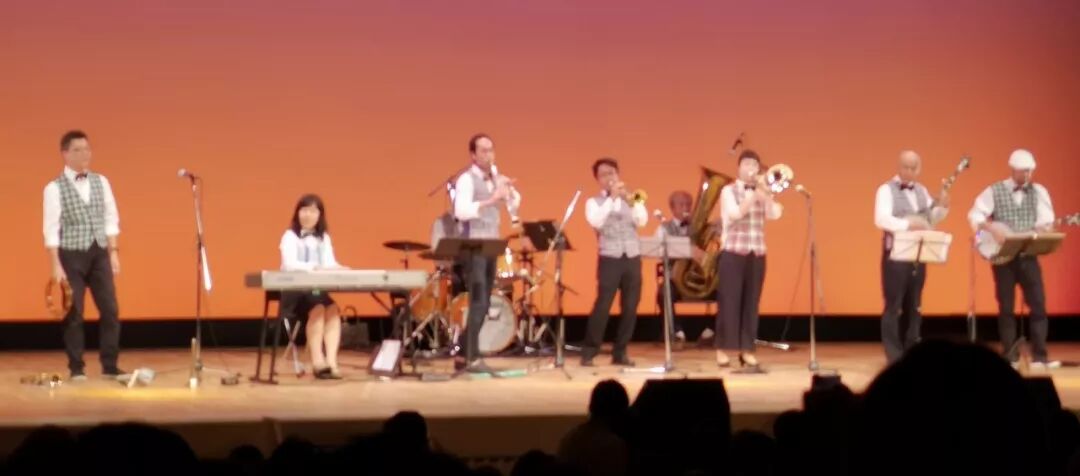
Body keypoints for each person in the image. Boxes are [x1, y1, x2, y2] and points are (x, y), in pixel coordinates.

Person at [43, 130, 125, 381]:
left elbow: (110, 217)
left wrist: (113, 252)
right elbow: (51, 228)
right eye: (77, 150)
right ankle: (76, 367)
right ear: (65, 153)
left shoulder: (102, 182)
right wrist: (55, 264)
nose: (84, 154)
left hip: (99, 252)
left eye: (87, 149)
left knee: (110, 309)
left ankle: (110, 366)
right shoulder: (54, 188)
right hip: (71, 254)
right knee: (74, 312)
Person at [968, 149, 1059, 368]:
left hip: (1028, 256)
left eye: (1030, 171)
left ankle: (1040, 357)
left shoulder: (1039, 192)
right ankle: (1010, 356)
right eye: (1023, 171)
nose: (1027, 175)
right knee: (1006, 307)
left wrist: (1045, 229)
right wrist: (991, 228)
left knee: (1038, 306)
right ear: (1013, 170)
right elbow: (974, 215)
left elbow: (1046, 221)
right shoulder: (995, 190)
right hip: (1004, 257)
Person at [452, 133, 521, 371]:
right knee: (479, 302)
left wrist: (508, 192)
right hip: (473, 245)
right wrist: (491, 200)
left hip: (491, 244)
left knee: (484, 301)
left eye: (491, 150)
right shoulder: (466, 180)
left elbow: (513, 205)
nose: (488, 154)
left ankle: (463, 355)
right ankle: (471, 357)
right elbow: (461, 211)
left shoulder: (496, 179)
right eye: (483, 150)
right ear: (473, 155)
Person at [873, 150, 949, 363]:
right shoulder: (886, 190)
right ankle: (894, 356)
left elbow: (930, 219)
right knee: (894, 306)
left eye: (913, 168)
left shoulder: (922, 191)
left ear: (919, 169)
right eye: (905, 167)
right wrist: (908, 225)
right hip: (896, 256)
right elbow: (881, 219)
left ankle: (911, 353)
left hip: (917, 254)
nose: (909, 171)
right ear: (898, 167)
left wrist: (943, 205)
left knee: (914, 305)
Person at [715, 150, 782, 370]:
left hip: (757, 252)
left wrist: (767, 196)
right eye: (747, 164)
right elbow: (735, 214)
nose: (751, 168)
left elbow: (775, 214)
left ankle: (747, 350)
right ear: (739, 168)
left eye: (755, 164)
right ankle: (722, 349)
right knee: (729, 302)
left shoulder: (762, 191)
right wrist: (753, 196)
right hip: (733, 252)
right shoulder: (728, 191)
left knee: (752, 304)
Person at [582, 158, 647, 367]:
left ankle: (620, 352)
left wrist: (631, 201)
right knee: (603, 305)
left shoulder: (632, 197)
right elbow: (597, 222)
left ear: (618, 174)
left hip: (632, 257)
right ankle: (589, 352)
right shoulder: (593, 202)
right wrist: (611, 198)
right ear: (598, 180)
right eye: (603, 175)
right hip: (609, 258)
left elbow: (642, 221)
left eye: (612, 173)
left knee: (630, 306)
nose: (609, 178)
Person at [279, 194, 349, 379]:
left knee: (333, 309)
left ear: (320, 215)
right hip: (295, 292)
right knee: (318, 307)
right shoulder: (290, 236)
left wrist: (339, 268)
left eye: (312, 211)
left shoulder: (323, 238)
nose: (308, 215)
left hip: (315, 290)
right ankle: (317, 362)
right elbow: (289, 264)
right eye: (304, 210)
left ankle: (331, 362)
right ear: (297, 213)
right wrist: (314, 267)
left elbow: (329, 263)